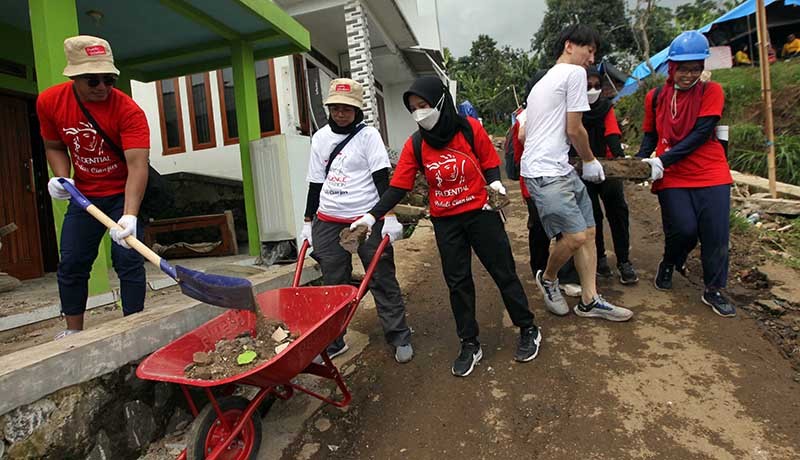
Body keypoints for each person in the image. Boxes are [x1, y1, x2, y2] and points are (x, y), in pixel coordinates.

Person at [350, 76, 541, 377]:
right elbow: (398, 185)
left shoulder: (469, 128)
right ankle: (469, 343)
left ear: (440, 101)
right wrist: (372, 216)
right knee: (458, 283)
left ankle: (528, 328)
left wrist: (495, 185)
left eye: (423, 106)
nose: (418, 114)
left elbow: (490, 161)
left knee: (502, 271)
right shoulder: (415, 144)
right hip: (446, 221)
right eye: (413, 109)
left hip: (481, 213)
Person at [38, 36, 150, 339]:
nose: (102, 86)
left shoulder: (128, 111)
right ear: (73, 77)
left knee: (127, 259)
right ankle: (73, 332)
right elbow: (53, 145)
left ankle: (134, 329)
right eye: (92, 80)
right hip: (84, 196)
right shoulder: (50, 102)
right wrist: (62, 177)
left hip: (123, 194)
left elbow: (138, 165)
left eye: (108, 80)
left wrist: (129, 216)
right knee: (73, 262)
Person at [521, 24, 633, 322]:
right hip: (547, 171)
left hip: (557, 167)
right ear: (570, 45)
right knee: (574, 236)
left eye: (595, 53)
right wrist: (591, 160)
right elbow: (575, 128)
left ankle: (589, 299)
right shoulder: (573, 74)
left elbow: (524, 132)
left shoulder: (543, 81)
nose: (591, 58)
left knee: (589, 231)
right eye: (589, 50)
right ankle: (548, 278)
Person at [302, 78, 413, 363]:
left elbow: (381, 180)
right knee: (333, 283)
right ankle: (335, 340)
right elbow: (315, 183)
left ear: (357, 110)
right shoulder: (320, 138)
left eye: (347, 109)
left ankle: (399, 335)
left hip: (364, 218)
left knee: (381, 276)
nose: (341, 113)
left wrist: (386, 216)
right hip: (327, 219)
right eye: (336, 108)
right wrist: (307, 222)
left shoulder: (368, 137)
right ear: (329, 108)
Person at [637, 31, 735, 318]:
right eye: (683, 68)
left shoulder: (711, 92)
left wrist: (662, 160)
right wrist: (643, 162)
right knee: (683, 229)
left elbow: (702, 133)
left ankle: (714, 288)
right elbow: (649, 135)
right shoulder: (655, 98)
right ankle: (671, 261)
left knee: (715, 233)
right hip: (673, 175)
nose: (689, 74)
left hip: (710, 170)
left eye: (695, 68)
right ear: (672, 67)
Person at [570, 69, 638, 285]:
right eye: (587, 86)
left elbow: (612, 135)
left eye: (596, 86)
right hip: (581, 169)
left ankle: (624, 261)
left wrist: (622, 162)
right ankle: (599, 258)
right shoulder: (573, 110)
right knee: (592, 216)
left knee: (618, 213)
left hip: (607, 168)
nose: (592, 90)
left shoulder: (605, 107)